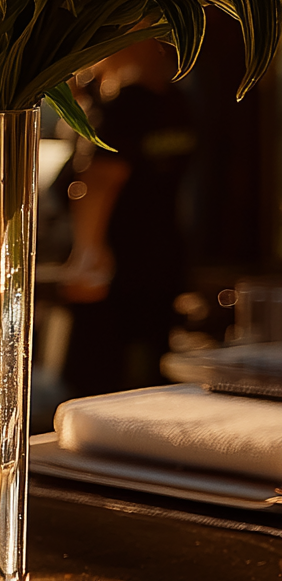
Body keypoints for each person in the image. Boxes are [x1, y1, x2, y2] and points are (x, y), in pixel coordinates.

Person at [60, 40, 195, 398]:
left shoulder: (122, 108)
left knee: (96, 384)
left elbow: (101, 180)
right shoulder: (176, 103)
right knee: (150, 374)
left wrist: (86, 255)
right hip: (162, 254)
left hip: (113, 261)